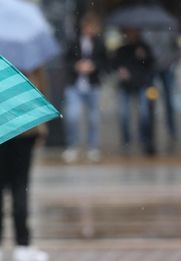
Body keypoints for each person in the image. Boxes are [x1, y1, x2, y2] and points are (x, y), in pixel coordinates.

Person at [0, 68, 51, 261]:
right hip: (24, 130)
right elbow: (41, 94)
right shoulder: (29, 57)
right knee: (20, 188)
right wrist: (42, 127)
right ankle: (22, 246)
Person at [62, 12, 107, 164]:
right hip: (75, 84)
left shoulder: (100, 43)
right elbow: (66, 60)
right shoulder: (73, 41)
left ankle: (93, 146)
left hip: (92, 85)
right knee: (72, 116)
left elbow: (105, 62)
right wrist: (77, 66)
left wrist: (93, 67)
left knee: (94, 118)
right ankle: (72, 145)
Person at [114, 27, 156, 156]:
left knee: (145, 114)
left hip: (142, 84)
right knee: (124, 115)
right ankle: (126, 142)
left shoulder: (144, 48)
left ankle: (145, 141)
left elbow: (152, 65)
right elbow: (114, 64)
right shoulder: (122, 49)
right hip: (126, 86)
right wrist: (121, 72)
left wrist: (144, 57)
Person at [144, 28, 181, 150]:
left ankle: (172, 130)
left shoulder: (169, 29)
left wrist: (172, 63)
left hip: (166, 70)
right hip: (151, 71)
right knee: (150, 101)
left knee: (168, 100)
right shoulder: (146, 30)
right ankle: (150, 132)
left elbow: (177, 49)